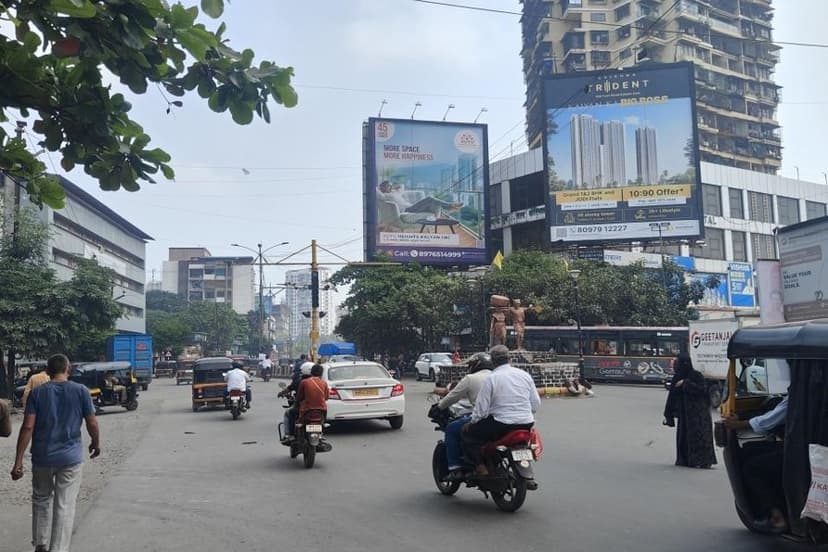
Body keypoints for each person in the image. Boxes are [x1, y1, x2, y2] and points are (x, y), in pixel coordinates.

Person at [11, 354, 100, 552]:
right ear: (68, 369)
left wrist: (18, 461)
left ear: (48, 371)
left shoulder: (37, 393)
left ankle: (40, 544)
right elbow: (92, 422)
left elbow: (27, 427)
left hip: (42, 457)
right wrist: (96, 443)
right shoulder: (81, 391)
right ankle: (58, 549)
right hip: (70, 458)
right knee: (65, 504)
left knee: (41, 498)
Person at [462, 345, 540, 475]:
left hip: (501, 424)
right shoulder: (525, 375)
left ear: (493, 362)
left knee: (468, 435)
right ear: (509, 359)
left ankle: (481, 466)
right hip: (526, 423)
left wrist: (472, 422)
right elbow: (535, 403)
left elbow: (481, 409)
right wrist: (524, 413)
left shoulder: (492, 378)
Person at [724, 396, 789, 532]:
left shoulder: (802, 390)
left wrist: (740, 424)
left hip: (804, 450)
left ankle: (777, 516)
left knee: (753, 468)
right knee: (750, 450)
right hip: (809, 445)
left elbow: (774, 417)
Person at [435, 352, 493, 481]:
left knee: (451, 429)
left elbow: (452, 397)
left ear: (476, 365)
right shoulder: (498, 376)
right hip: (510, 420)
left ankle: (455, 469)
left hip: (484, 419)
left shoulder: (470, 379)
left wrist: (438, 407)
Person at [663, 354, 717, 469]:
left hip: (699, 415)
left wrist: (686, 383)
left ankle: (704, 461)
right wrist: (668, 416)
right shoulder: (677, 377)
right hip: (684, 415)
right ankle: (686, 460)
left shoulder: (696, 375)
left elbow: (703, 390)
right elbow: (671, 398)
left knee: (701, 438)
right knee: (685, 439)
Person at [280, 362, 314, 443]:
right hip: (318, 408)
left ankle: (289, 434)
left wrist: (281, 393)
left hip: (303, 408)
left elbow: (297, 396)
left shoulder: (301, 382)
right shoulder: (320, 382)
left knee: (288, 413)